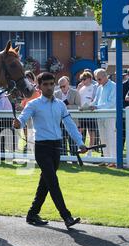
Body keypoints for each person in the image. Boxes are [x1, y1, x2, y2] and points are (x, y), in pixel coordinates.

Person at [13, 72, 87, 229]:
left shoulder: (60, 104)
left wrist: (80, 143)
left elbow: (70, 125)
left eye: (51, 84)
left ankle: (32, 214)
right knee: (53, 182)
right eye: (45, 85)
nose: (49, 87)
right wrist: (18, 123)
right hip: (41, 147)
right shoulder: (33, 104)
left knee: (45, 183)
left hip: (56, 147)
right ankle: (66, 216)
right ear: (39, 87)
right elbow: (23, 118)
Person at [90, 68, 117, 167]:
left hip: (109, 115)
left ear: (105, 76)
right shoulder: (99, 87)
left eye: (99, 79)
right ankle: (106, 159)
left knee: (111, 137)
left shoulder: (113, 86)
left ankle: (113, 160)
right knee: (103, 138)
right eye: (97, 79)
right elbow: (96, 101)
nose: (97, 81)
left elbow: (111, 103)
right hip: (100, 115)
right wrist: (89, 106)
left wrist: (96, 106)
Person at [54, 76, 81, 158]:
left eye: (64, 86)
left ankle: (74, 158)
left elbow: (78, 106)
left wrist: (66, 106)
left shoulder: (75, 92)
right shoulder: (56, 94)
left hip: (72, 121)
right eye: (60, 86)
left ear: (68, 84)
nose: (62, 88)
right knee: (62, 141)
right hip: (60, 122)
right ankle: (63, 158)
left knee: (72, 141)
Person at [77, 71, 98, 155]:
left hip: (90, 112)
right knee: (80, 130)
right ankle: (80, 147)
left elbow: (94, 99)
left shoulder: (94, 87)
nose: (82, 81)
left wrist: (91, 105)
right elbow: (78, 100)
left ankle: (90, 151)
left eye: (84, 79)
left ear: (89, 79)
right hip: (82, 112)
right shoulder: (81, 88)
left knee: (91, 132)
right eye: (81, 79)